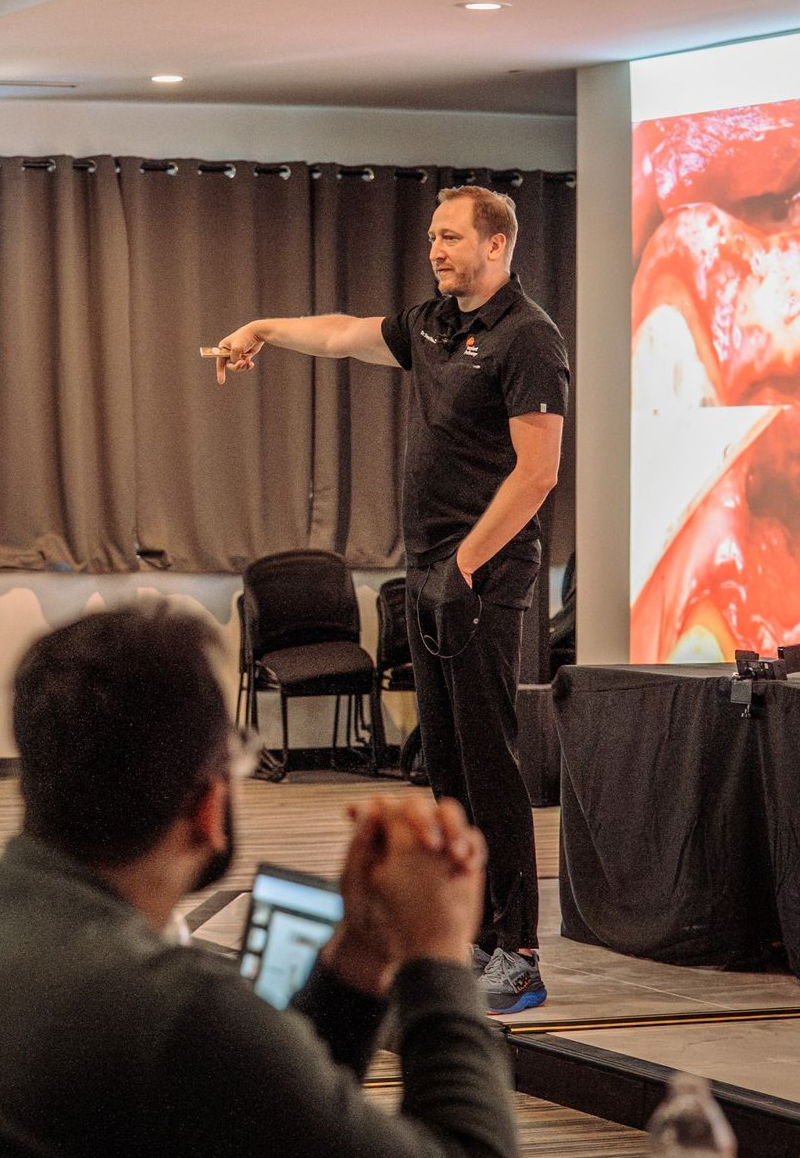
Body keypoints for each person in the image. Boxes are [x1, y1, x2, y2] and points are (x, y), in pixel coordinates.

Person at [216, 185, 570, 1014]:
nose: (436, 250)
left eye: (452, 238)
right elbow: (342, 333)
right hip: (430, 571)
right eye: (432, 238)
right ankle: (472, 931)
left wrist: (466, 565)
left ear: (497, 244)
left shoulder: (528, 336)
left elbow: (539, 473)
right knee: (444, 766)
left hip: (483, 576)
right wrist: (264, 328)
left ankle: (519, 953)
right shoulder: (434, 323)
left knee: (490, 765)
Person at [0, 603, 518, 1158]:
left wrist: (358, 960)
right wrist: (438, 954)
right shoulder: (184, 1016)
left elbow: (273, 1120)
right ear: (209, 806)